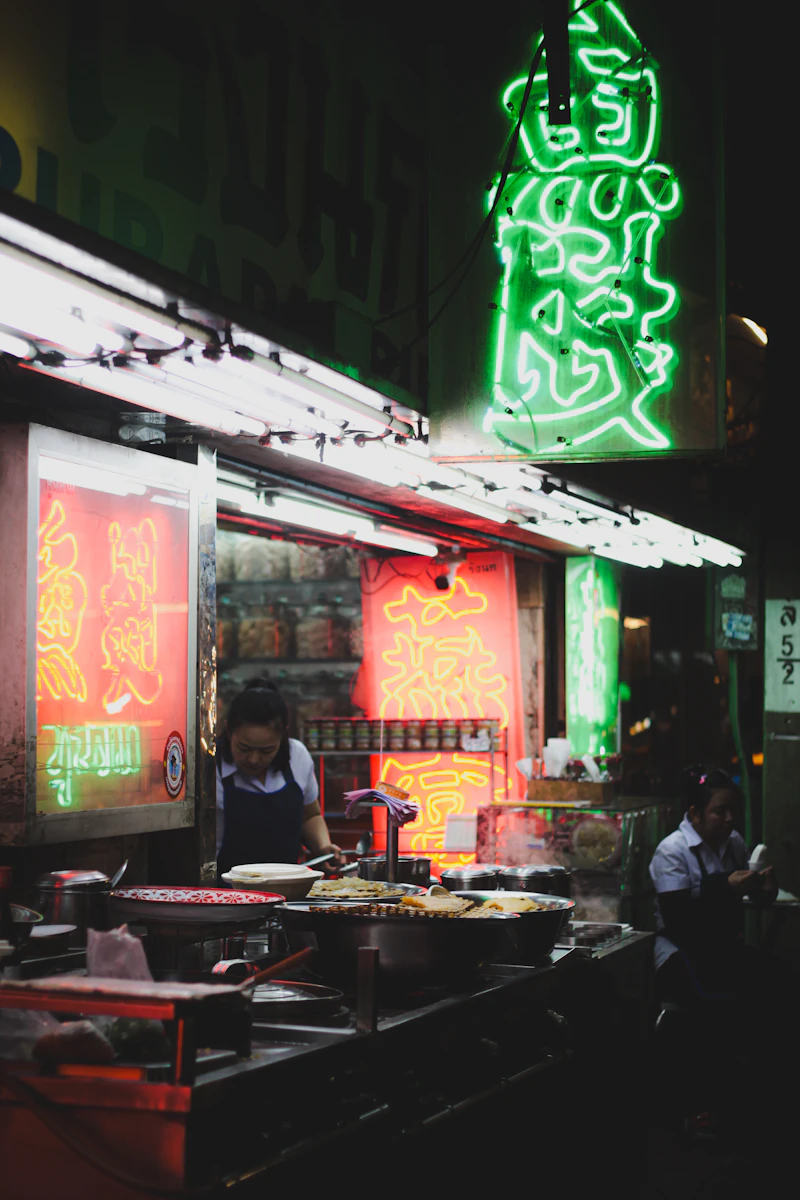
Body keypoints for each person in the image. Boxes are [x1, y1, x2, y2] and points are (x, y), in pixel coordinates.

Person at [648, 765, 782, 1140]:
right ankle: (693, 1109)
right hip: (677, 951)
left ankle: (745, 1099)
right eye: (719, 811)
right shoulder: (672, 851)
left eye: (732, 810)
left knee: (775, 981)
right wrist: (724, 885)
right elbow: (678, 920)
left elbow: (743, 895)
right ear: (693, 813)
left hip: (719, 949)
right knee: (715, 1001)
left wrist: (762, 888)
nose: (729, 818)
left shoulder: (733, 843)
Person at [216, 680, 342, 876]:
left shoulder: (297, 756)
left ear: (283, 736)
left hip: (288, 887)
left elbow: (310, 815)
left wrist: (323, 847)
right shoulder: (211, 769)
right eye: (244, 748)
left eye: (267, 750)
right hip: (230, 893)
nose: (254, 759)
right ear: (228, 731)